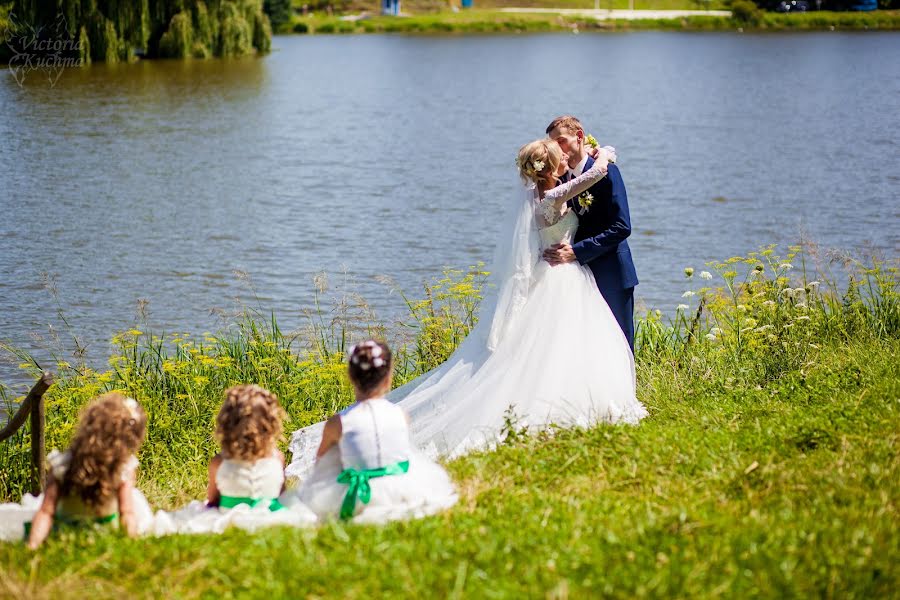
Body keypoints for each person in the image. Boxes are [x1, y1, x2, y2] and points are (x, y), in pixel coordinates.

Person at [286, 140, 646, 478]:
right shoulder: (553, 195)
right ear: (550, 168)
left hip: (557, 272)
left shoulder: (534, 194)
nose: (567, 161)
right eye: (560, 158)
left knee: (561, 343)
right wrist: (606, 154)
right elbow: (595, 175)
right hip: (559, 276)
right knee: (556, 343)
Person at [283, 340, 457, 523]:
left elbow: (321, 461)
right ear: (389, 378)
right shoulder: (401, 415)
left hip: (359, 493)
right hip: (402, 487)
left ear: (350, 377)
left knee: (334, 450)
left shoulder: (339, 422)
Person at [153, 385, 316, 535]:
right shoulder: (277, 458)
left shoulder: (220, 462)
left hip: (229, 515)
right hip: (272, 516)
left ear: (227, 424)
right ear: (270, 424)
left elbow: (213, 499)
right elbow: (280, 494)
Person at [0, 393, 154, 548]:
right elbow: (126, 512)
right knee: (136, 503)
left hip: (65, 534)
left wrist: (33, 545)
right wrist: (131, 542)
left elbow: (46, 512)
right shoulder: (123, 470)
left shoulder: (62, 465)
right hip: (105, 533)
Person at [544, 116, 639, 351]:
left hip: (611, 272)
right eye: (553, 143)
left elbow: (622, 227)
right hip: (576, 278)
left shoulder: (607, 172)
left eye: (561, 140)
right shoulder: (560, 179)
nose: (558, 148)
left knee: (620, 343)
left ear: (579, 137)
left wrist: (575, 252)